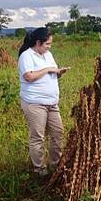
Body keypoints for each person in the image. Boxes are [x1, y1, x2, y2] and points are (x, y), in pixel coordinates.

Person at [18, 27, 70, 179]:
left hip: (52, 103)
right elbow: (28, 76)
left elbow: (53, 73)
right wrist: (48, 69)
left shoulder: (48, 55)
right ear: (38, 42)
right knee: (38, 137)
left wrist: (59, 72)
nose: (49, 47)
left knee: (58, 133)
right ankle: (39, 171)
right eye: (47, 44)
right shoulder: (26, 56)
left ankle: (55, 166)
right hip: (35, 103)